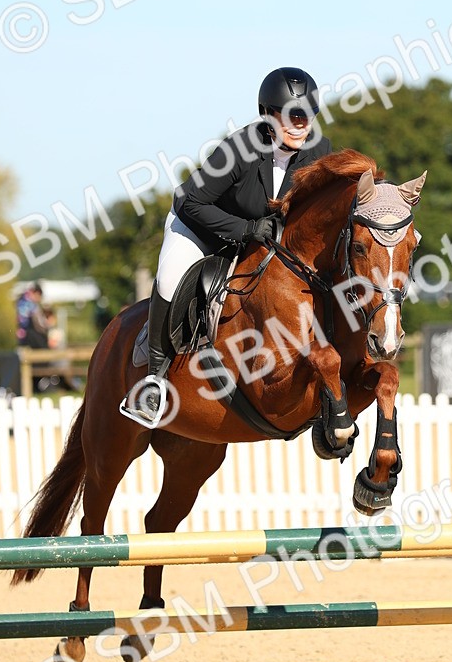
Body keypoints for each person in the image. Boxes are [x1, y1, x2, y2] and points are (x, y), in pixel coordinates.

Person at [124, 66, 332, 426]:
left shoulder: (319, 151)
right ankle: (153, 380)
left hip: (262, 237)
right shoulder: (239, 149)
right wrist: (247, 228)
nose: (303, 124)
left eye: (309, 113)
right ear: (269, 115)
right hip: (198, 226)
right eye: (295, 115)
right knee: (171, 278)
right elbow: (192, 203)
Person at [16, 283, 50, 349]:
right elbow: (38, 323)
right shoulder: (32, 305)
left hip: (21, 334)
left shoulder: (22, 300)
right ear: (36, 293)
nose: (39, 299)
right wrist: (47, 328)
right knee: (44, 348)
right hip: (30, 334)